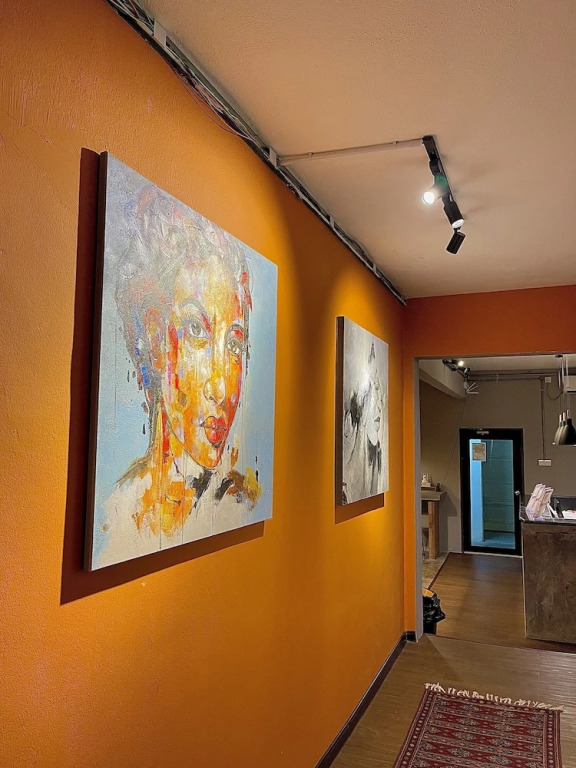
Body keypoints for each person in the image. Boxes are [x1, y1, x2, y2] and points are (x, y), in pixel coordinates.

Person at [98, 186, 262, 567]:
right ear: (156, 341)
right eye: (196, 331)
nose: (221, 388)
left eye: (234, 345)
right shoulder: (114, 518)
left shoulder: (243, 501)